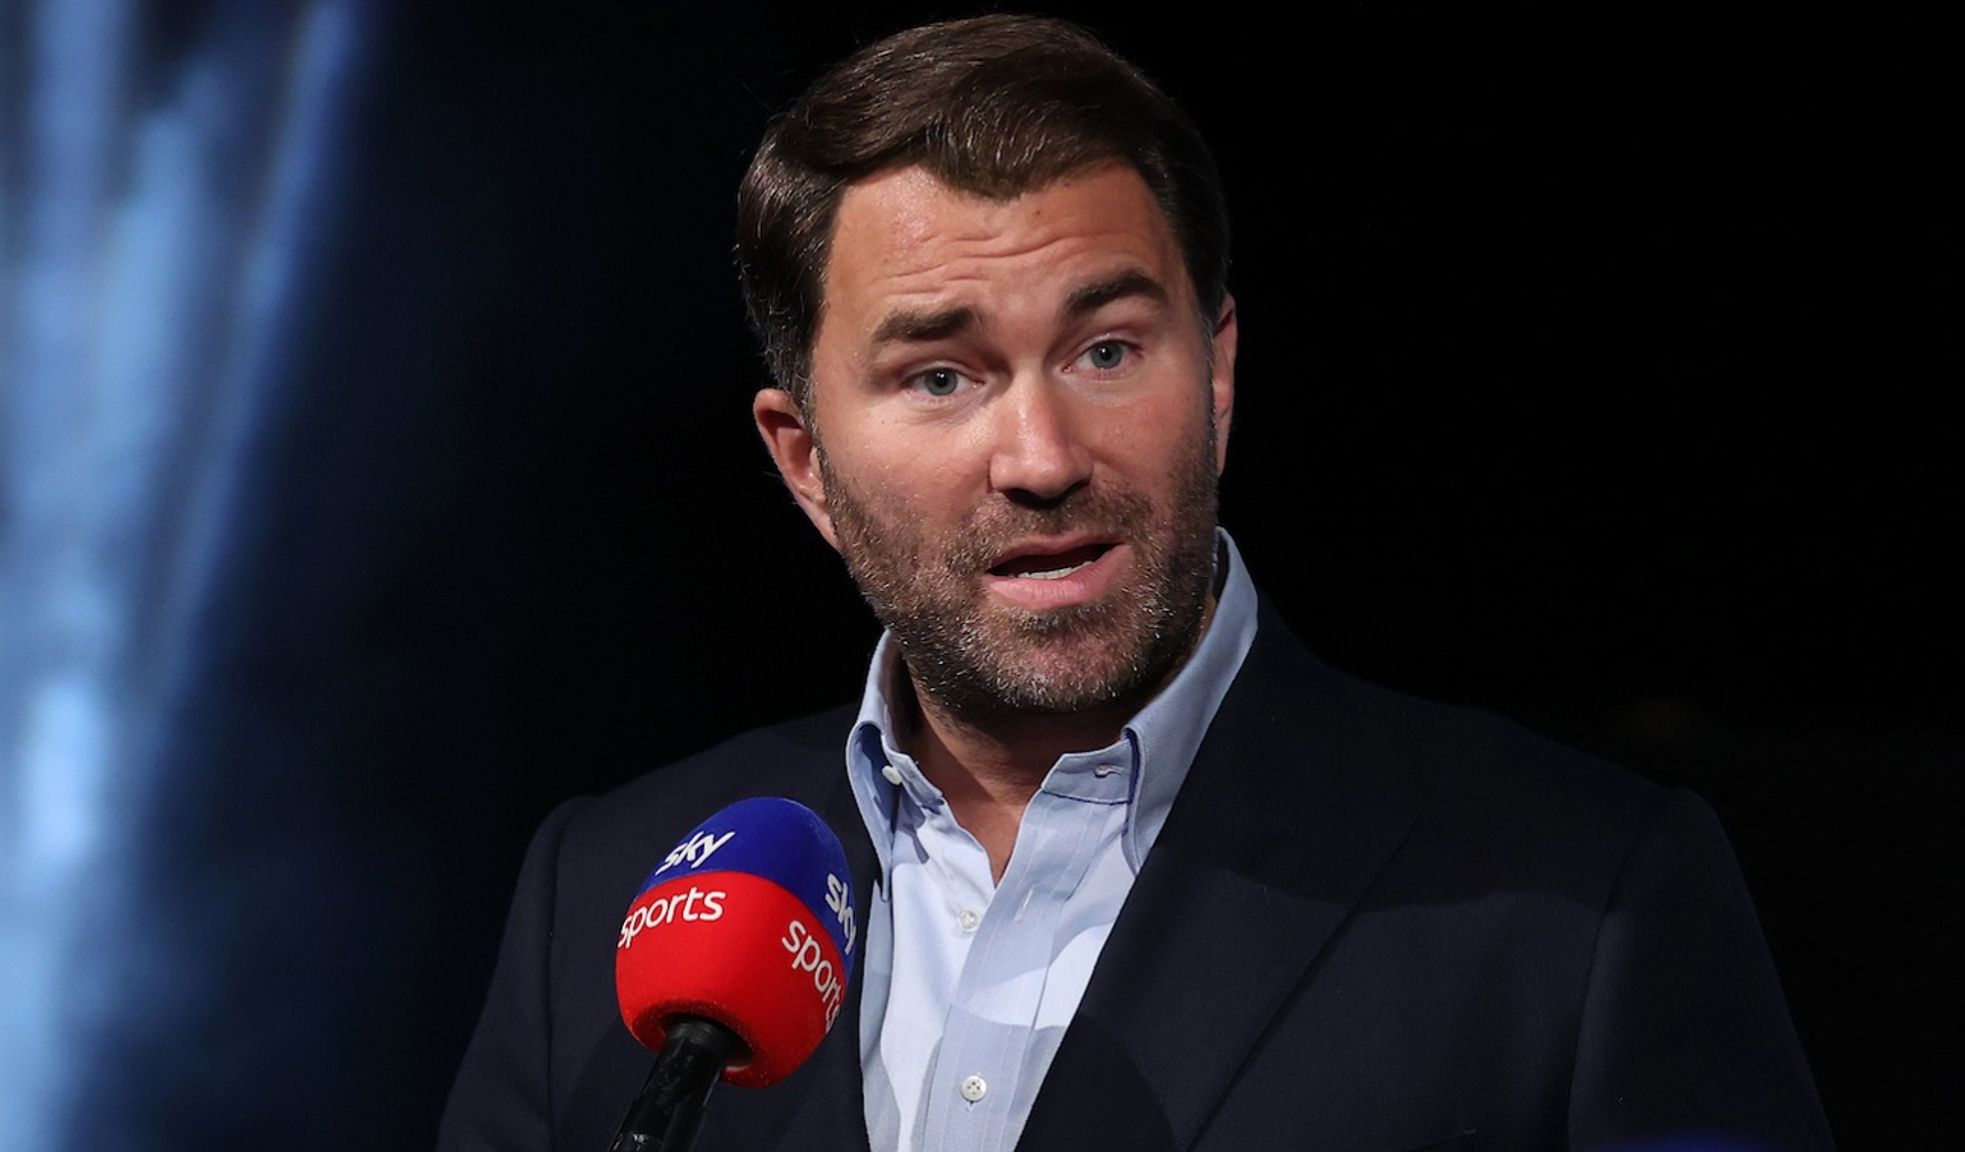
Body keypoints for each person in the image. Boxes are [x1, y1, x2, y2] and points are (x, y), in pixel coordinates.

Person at [439, 15, 1831, 1152]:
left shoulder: (1583, 895)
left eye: (1106, 351)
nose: (1042, 459)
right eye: (941, 377)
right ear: (806, 463)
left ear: (1216, 375)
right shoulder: (603, 891)